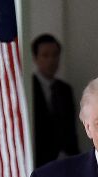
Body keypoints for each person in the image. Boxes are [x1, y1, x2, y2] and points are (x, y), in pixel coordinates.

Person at [31, 33, 79, 167]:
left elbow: (71, 128)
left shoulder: (65, 89)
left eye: (55, 55)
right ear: (35, 58)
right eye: (45, 55)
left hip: (65, 159)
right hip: (37, 160)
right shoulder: (29, 88)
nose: (51, 60)